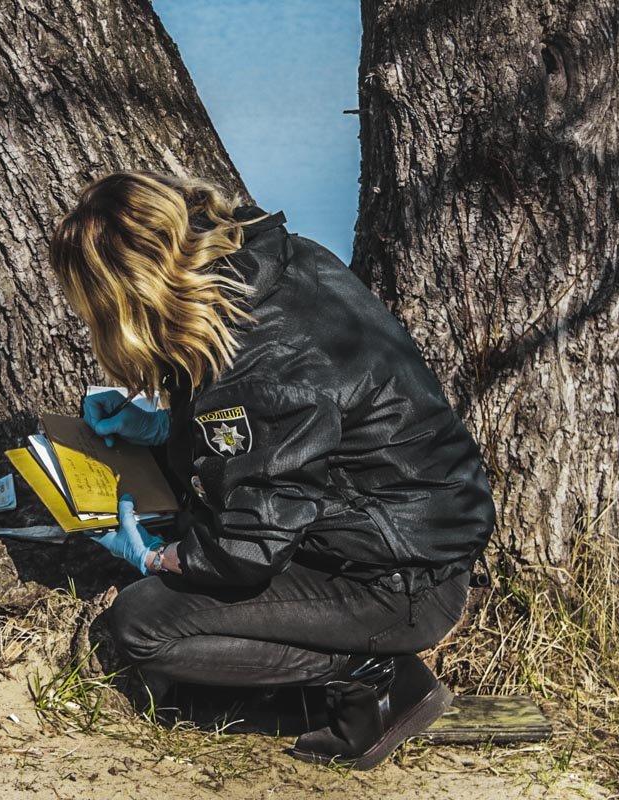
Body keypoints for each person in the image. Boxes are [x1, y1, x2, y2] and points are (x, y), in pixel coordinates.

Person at [46, 169, 496, 770]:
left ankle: (377, 681)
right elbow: (277, 437)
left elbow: (248, 547)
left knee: (142, 624)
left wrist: (156, 558)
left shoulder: (259, 364)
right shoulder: (270, 263)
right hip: (395, 536)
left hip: (399, 582)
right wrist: (162, 428)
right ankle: (293, 683)